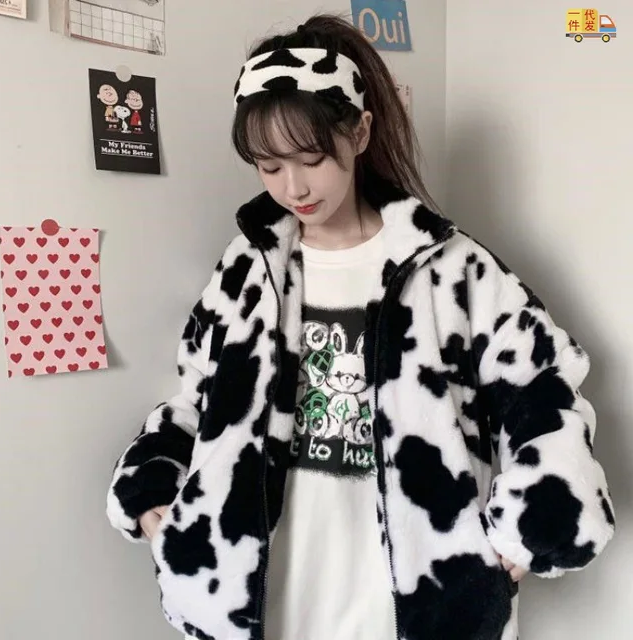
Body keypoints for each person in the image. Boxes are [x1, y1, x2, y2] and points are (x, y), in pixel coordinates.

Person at [106, 13, 615, 640]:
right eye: (269, 166)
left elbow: (544, 387)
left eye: (311, 158)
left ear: (361, 131)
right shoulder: (249, 267)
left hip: (414, 599)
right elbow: (199, 397)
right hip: (272, 591)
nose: (294, 186)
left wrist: (535, 518)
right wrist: (152, 490)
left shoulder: (447, 268)